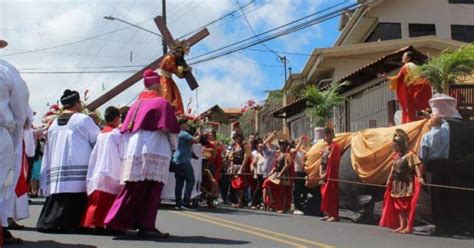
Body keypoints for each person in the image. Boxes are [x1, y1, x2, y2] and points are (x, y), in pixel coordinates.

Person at [104, 69, 179, 238]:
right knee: (152, 190)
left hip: (134, 151)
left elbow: (126, 132)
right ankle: (146, 225)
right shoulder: (162, 103)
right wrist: (174, 147)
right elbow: (172, 131)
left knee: (133, 187)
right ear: (158, 86)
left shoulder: (135, 105)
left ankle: (116, 221)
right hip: (156, 149)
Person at [37, 90, 100, 233]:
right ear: (76, 103)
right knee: (76, 195)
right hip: (77, 164)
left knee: (60, 196)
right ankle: (75, 223)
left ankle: (53, 222)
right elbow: (97, 140)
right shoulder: (82, 119)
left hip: (58, 165)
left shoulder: (53, 124)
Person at [0, 39, 32, 244]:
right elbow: (20, 104)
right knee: (2, 184)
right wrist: (16, 131)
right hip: (2, 131)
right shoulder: (6, 70)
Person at [82, 106, 123, 233]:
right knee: (109, 200)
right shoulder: (116, 133)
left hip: (99, 168)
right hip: (112, 168)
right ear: (117, 118)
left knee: (98, 201)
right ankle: (110, 224)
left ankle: (96, 224)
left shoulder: (101, 133)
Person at [380, 129, 424, 234]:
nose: (394, 147)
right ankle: (402, 225)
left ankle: (408, 226)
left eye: (395, 145)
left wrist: (419, 176)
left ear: (400, 145)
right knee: (398, 206)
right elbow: (393, 169)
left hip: (406, 183)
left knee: (406, 205)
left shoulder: (410, 155)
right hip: (396, 183)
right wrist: (389, 179)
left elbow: (416, 165)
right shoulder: (396, 157)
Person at [378, 51, 432, 124]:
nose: (402, 57)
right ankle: (424, 119)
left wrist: (386, 77)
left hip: (417, 88)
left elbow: (397, 78)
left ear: (409, 58)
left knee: (411, 107)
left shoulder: (405, 66)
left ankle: (411, 121)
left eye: (404, 56)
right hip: (424, 87)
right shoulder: (416, 66)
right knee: (422, 107)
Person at [158, 40, 192, 115]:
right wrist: (185, 69)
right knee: (166, 96)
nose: (179, 54)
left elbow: (179, 75)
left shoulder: (174, 60)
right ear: (174, 51)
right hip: (163, 79)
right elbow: (174, 70)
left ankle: (176, 114)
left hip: (168, 79)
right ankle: (165, 113)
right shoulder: (168, 58)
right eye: (178, 52)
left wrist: (185, 72)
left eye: (181, 53)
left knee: (176, 97)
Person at [173, 118, 201, 210]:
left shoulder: (177, 133)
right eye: (187, 124)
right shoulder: (184, 133)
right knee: (191, 180)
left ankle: (178, 203)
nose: (188, 126)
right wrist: (199, 133)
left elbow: (188, 143)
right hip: (183, 160)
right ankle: (186, 202)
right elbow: (196, 140)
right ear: (182, 125)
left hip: (176, 160)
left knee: (179, 182)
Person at [262, 139, 293, 213]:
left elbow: (287, 165)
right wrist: (271, 173)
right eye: (281, 144)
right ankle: (271, 201)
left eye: (283, 144)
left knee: (282, 191)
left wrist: (281, 173)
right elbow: (276, 166)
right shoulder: (278, 154)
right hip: (277, 173)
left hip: (284, 175)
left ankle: (282, 208)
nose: (282, 146)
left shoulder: (287, 155)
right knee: (267, 183)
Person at [319, 128, 341, 222]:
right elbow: (321, 162)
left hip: (331, 174)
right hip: (324, 173)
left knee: (331, 194)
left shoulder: (335, 146)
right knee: (324, 194)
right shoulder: (325, 148)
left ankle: (334, 215)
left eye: (328, 134)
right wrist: (320, 173)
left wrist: (327, 175)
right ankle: (328, 213)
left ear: (332, 135)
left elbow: (332, 162)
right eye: (325, 135)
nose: (326, 136)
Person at [229, 133, 252, 208]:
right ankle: (238, 201)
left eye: (239, 138)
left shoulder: (245, 146)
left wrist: (241, 168)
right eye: (236, 138)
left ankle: (240, 202)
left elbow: (246, 158)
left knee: (240, 185)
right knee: (235, 185)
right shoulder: (234, 146)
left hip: (240, 166)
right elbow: (231, 157)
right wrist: (231, 167)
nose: (237, 140)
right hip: (235, 166)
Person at [293, 136, 309, 215]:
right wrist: (300, 140)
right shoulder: (294, 151)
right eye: (298, 142)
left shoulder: (303, 152)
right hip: (297, 172)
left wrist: (306, 142)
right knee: (297, 191)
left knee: (304, 190)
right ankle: (296, 207)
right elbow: (295, 150)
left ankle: (301, 204)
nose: (301, 143)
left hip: (303, 172)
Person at [250, 142, 266, 209]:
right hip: (259, 174)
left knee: (264, 189)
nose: (261, 148)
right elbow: (253, 164)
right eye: (259, 147)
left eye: (262, 147)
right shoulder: (257, 155)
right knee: (258, 189)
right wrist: (254, 171)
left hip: (266, 174)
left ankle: (262, 203)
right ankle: (254, 203)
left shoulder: (266, 155)